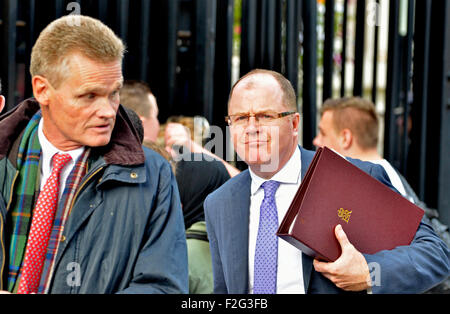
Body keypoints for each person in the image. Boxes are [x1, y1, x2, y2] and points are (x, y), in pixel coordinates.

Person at [204, 69, 450, 294]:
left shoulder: (351, 177)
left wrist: (369, 273)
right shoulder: (219, 204)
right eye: (239, 118)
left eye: (265, 116)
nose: (251, 128)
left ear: (294, 123)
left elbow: (436, 253)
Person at [0, 15, 188, 294]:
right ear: (42, 90)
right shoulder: (6, 157)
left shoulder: (153, 175)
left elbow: (164, 287)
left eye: (114, 93)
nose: (108, 111)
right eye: (89, 96)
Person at [313, 96, 450, 292]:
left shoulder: (378, 182)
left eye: (323, 132)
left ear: (345, 138)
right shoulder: (381, 177)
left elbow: (430, 257)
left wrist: (370, 273)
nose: (316, 140)